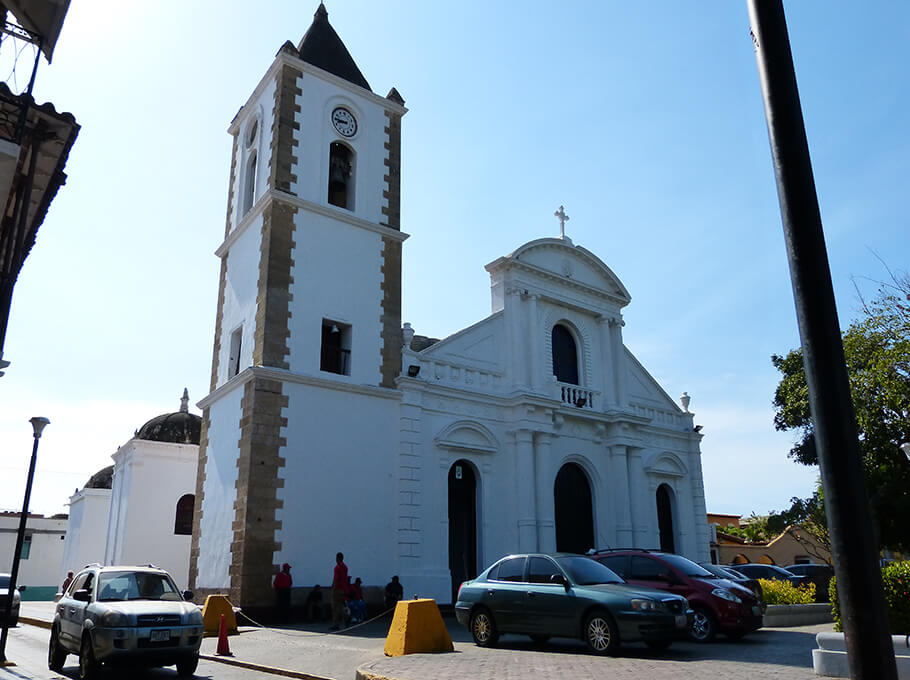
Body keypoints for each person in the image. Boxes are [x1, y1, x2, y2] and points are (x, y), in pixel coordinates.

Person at [330, 552, 348, 631]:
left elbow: (336, 579)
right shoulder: (345, 567)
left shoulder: (337, 568)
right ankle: (346, 618)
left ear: (337, 558)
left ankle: (336, 624)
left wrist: (333, 588)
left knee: (335, 607)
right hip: (343, 589)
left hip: (337, 589)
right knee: (341, 606)